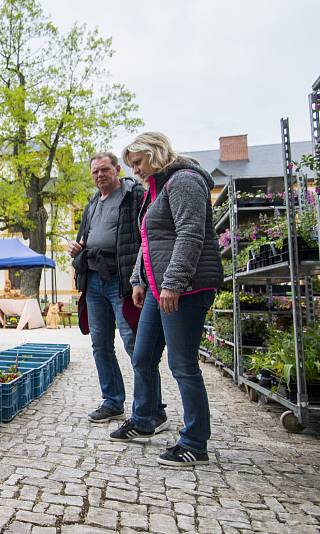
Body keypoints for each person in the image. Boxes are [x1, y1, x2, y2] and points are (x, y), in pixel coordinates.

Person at [110, 132, 222, 467]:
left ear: (155, 153)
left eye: (138, 162)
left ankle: (194, 442)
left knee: (182, 364)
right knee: (142, 355)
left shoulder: (185, 181)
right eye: (131, 166)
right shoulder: (156, 189)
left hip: (185, 288)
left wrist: (173, 283)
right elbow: (151, 240)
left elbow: (190, 235)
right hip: (160, 289)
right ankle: (145, 419)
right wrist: (139, 279)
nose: (136, 171)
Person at [68, 152, 167, 427]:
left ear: (117, 169)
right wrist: (78, 248)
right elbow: (86, 239)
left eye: (104, 170)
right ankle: (112, 401)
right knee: (100, 344)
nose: (99, 175)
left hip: (122, 280)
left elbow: (146, 234)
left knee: (136, 344)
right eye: (95, 172)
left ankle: (153, 408)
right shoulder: (91, 203)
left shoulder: (133, 195)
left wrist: (142, 278)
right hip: (94, 280)